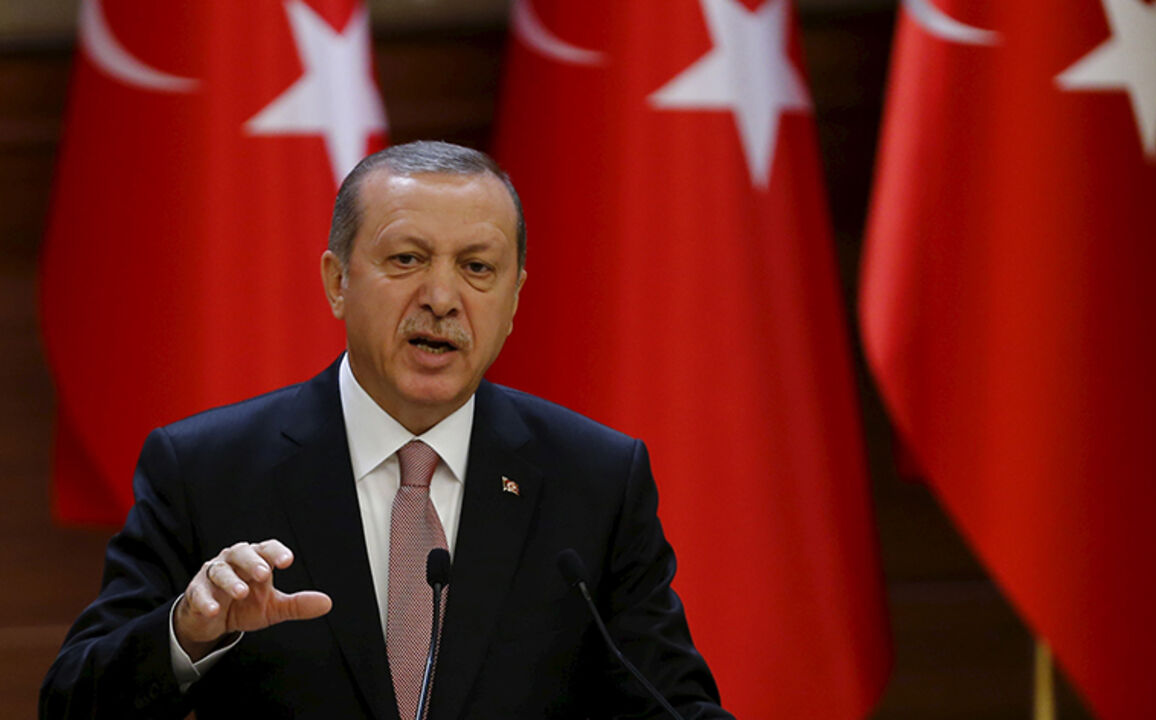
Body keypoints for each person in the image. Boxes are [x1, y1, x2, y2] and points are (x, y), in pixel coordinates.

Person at [40, 141, 732, 720]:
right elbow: (72, 704)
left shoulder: (594, 480)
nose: (440, 296)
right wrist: (187, 634)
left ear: (515, 297)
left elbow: (668, 702)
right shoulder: (207, 471)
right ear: (337, 281)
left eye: (477, 267)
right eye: (407, 259)